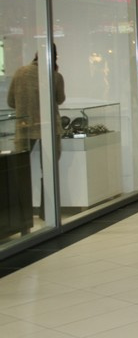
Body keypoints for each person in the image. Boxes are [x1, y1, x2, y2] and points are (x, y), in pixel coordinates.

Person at [7, 45, 65, 221]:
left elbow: (10, 102)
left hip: (24, 127)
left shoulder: (20, 73)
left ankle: (20, 215)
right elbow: (60, 99)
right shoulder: (55, 76)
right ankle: (48, 212)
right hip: (49, 128)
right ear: (54, 57)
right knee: (49, 171)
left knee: (20, 171)